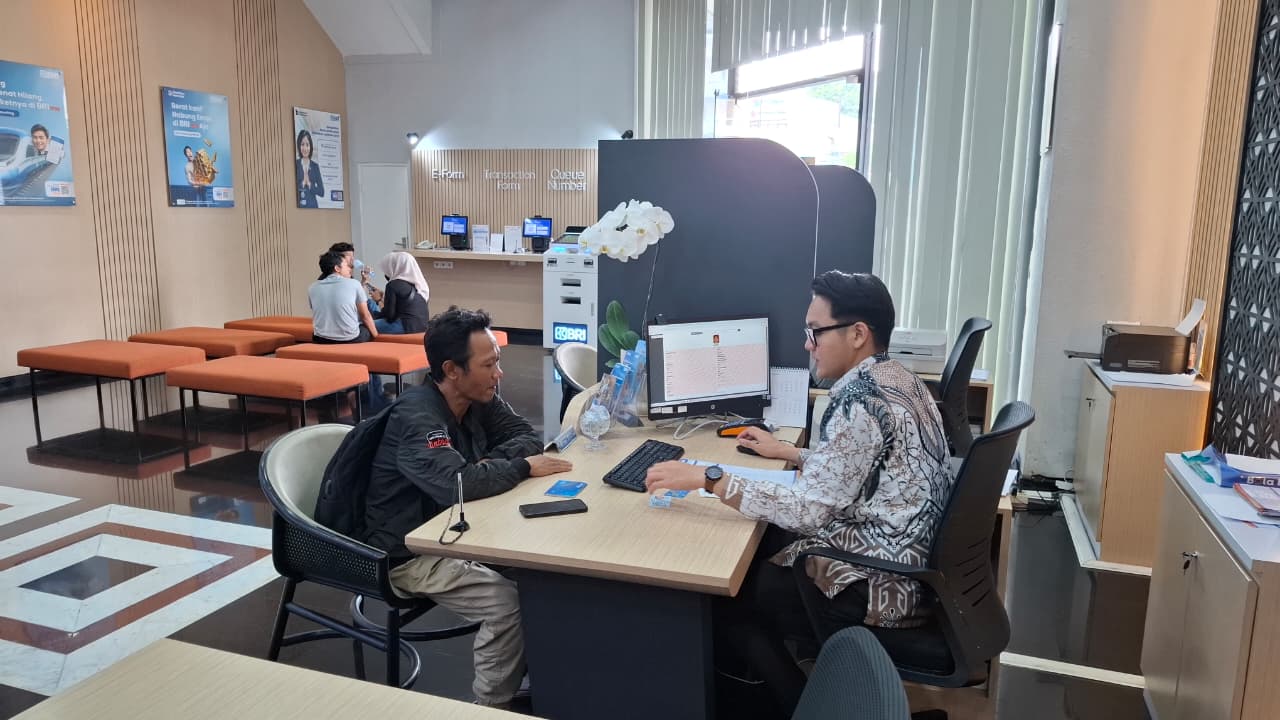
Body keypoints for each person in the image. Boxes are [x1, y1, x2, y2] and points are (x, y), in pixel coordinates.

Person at [645, 270, 955, 717]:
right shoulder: (898, 380)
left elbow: (809, 511)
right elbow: (860, 467)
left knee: (728, 594)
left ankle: (797, 707)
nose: (808, 345)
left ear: (857, 334)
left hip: (878, 583)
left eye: (815, 332)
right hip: (910, 563)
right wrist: (791, 452)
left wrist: (708, 478)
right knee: (759, 549)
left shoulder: (859, 401)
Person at [361, 307, 573, 708]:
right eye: (488, 364)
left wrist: (487, 466)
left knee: (548, 573)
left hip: (459, 529)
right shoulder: (417, 416)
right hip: (409, 551)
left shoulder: (477, 397)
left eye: (498, 362)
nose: (499, 374)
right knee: (505, 605)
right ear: (452, 370)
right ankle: (490, 707)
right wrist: (518, 467)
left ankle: (543, 679)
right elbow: (457, 485)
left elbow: (525, 435)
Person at [308, 250, 378, 343]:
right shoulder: (354, 283)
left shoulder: (312, 287)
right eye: (347, 265)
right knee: (366, 327)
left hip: (321, 339)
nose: (350, 268)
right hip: (350, 339)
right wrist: (376, 337)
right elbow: (365, 315)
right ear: (337, 268)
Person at [368, 251, 430, 334]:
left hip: (405, 327)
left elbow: (389, 317)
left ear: (394, 267)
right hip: (422, 327)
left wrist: (379, 300)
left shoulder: (393, 285)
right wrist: (383, 298)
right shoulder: (420, 285)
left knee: (364, 325)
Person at [295, 129, 324, 208]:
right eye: (302, 144)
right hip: (299, 207)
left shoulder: (315, 166)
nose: (305, 148)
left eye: (307, 145)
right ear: (299, 146)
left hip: (313, 207)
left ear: (310, 147)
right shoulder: (295, 164)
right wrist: (302, 183)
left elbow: (321, 192)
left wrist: (310, 184)